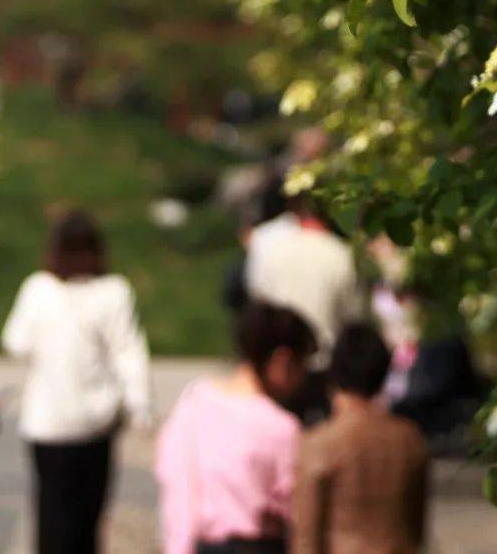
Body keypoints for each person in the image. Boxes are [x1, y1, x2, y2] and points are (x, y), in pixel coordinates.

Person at [2, 208, 152, 554]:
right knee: (87, 520)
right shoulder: (112, 292)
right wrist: (141, 406)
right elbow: (129, 351)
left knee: (52, 518)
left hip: (48, 425)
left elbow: (15, 343)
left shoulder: (38, 289)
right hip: (95, 422)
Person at [156, 301, 315, 554]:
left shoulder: (196, 401)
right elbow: (297, 507)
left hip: (203, 545)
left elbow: (176, 483)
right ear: (283, 360)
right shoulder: (282, 427)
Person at [291, 323, 429, 554]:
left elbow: (306, 537)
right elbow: (416, 528)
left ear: (333, 374)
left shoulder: (319, 444)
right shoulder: (410, 439)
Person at [244, 193, 364, 411]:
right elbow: (351, 316)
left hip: (275, 364)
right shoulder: (340, 255)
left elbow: (257, 302)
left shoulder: (272, 250)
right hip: (320, 365)